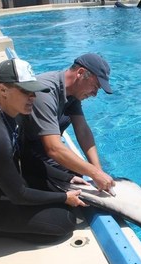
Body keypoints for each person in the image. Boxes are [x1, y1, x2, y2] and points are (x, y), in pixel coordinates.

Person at [0, 58, 88, 240]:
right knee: (63, 221)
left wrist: (68, 177)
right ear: (3, 90)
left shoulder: (14, 117)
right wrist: (64, 197)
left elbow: (28, 159)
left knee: (62, 195)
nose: (33, 98)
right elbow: (19, 194)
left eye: (34, 91)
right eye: (26, 91)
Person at [19, 53, 116, 195]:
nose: (95, 94)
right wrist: (94, 173)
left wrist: (98, 170)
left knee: (78, 174)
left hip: (44, 151)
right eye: (95, 86)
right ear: (81, 73)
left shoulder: (72, 93)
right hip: (26, 155)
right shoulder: (45, 92)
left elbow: (82, 130)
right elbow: (53, 149)